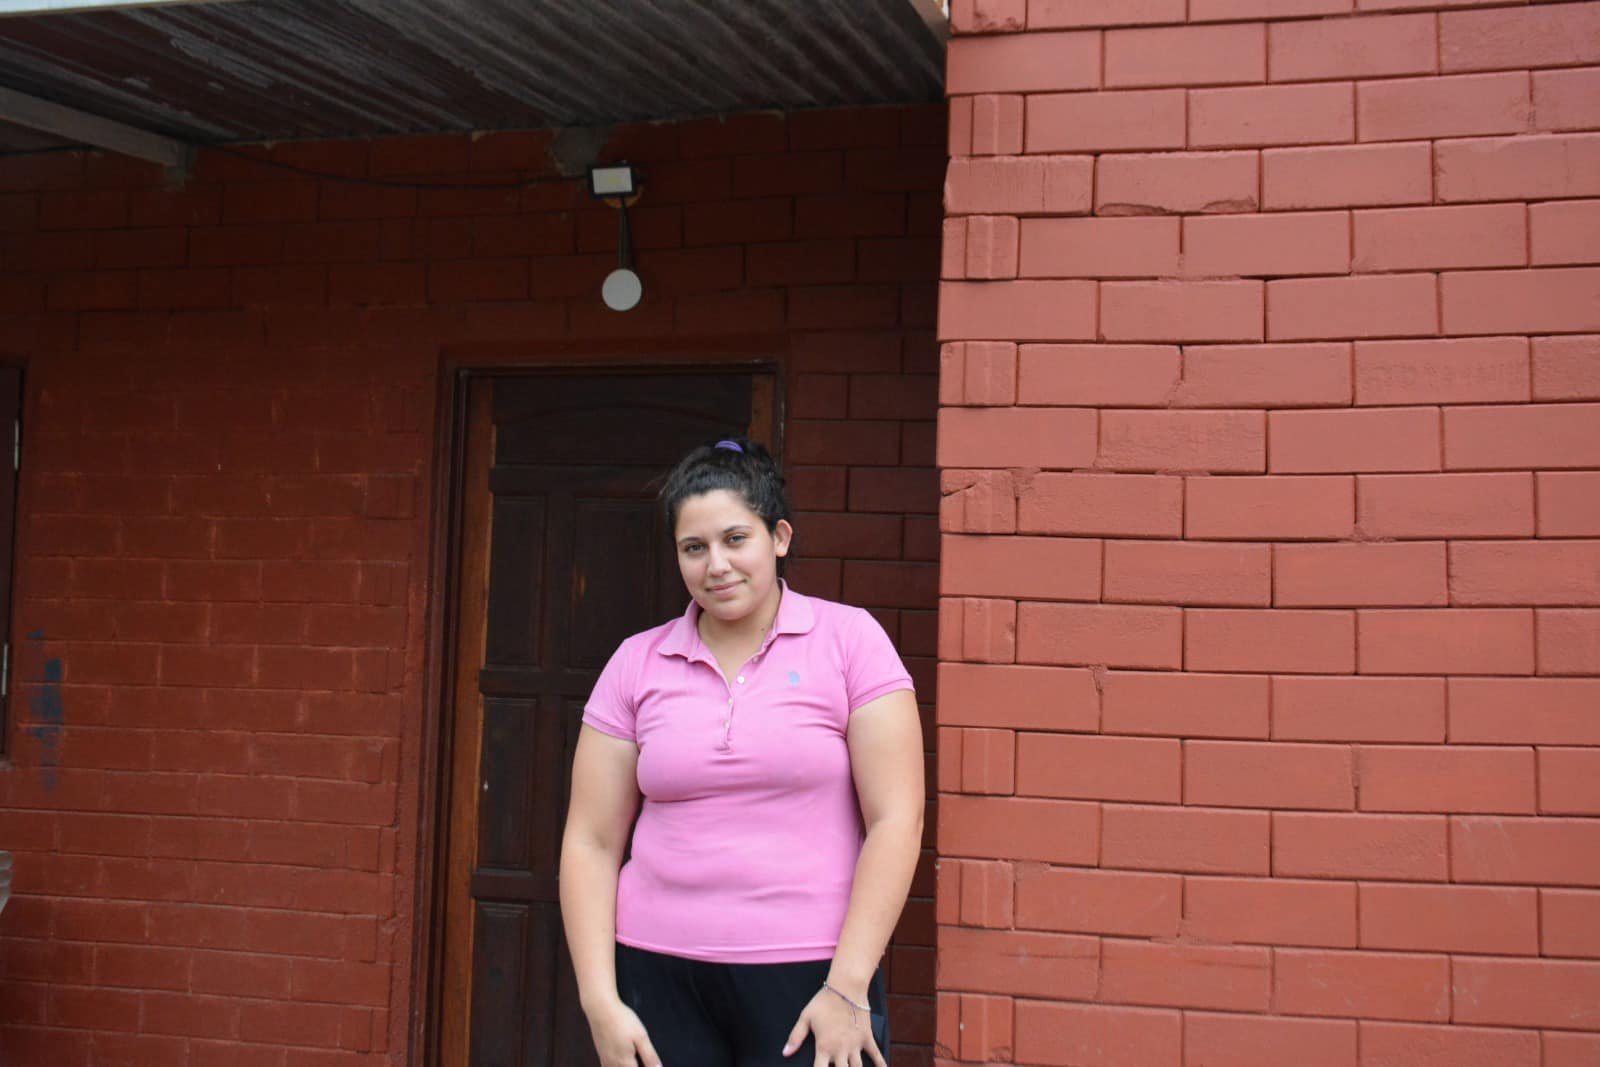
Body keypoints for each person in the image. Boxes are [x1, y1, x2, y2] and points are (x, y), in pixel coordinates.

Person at [559, 435, 924, 1067]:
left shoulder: (850, 641)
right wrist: (599, 1000)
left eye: (735, 539)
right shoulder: (637, 662)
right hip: (655, 974)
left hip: (813, 976)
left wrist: (848, 985)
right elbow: (590, 840)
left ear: (778, 537)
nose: (717, 565)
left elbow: (897, 818)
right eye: (694, 548)